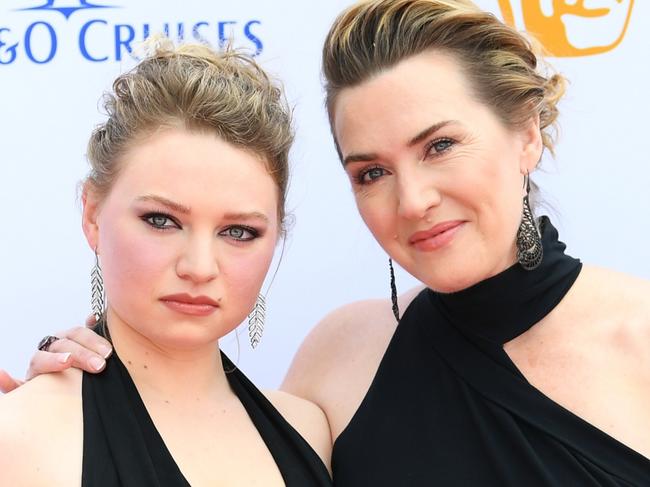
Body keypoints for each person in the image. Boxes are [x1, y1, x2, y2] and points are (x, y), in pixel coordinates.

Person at [3, 0, 650, 484]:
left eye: (440, 145)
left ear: (526, 134)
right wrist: (64, 399)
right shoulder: (338, 360)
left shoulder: (640, 337)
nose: (413, 199)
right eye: (371, 171)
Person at [0, 39, 332, 486]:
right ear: (92, 214)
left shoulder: (310, 430)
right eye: (162, 220)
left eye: (238, 232)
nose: (199, 267)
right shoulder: (22, 438)